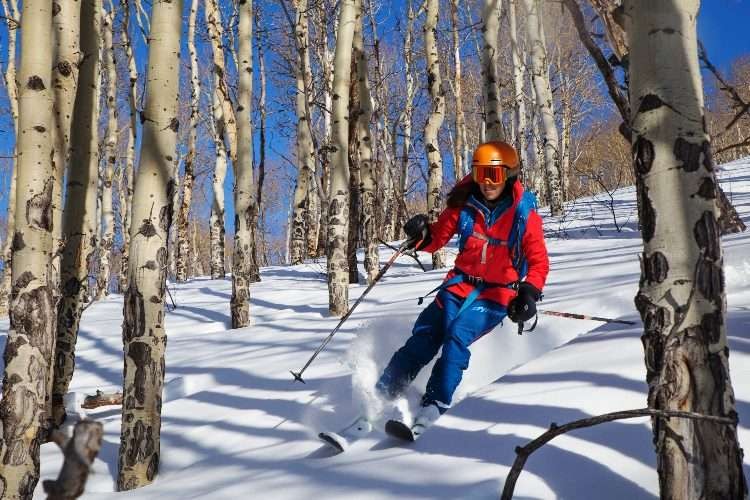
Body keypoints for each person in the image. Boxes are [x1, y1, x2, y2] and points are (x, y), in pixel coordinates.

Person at [375, 141, 550, 436]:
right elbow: (437, 239)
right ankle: (383, 392)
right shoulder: (464, 203)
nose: (487, 183)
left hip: (497, 294)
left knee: (456, 336)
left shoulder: (523, 213)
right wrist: (421, 235)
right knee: (426, 335)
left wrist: (528, 293)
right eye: (481, 174)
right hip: (458, 286)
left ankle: (434, 403)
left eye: (494, 175)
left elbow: (538, 260)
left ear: (509, 175)